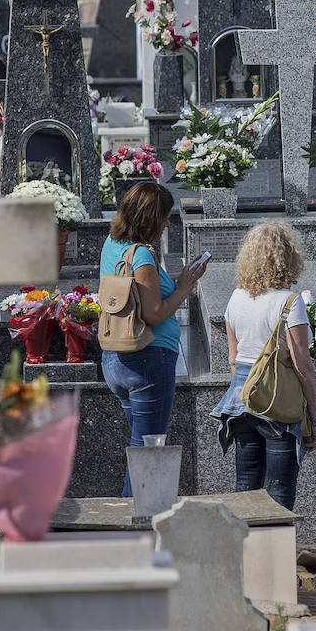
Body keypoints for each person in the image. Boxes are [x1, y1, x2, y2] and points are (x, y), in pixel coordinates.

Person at [99, 183, 206, 496]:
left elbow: (136, 297)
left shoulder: (112, 243)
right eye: (164, 216)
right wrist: (184, 286)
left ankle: (132, 518)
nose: (167, 224)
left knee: (140, 449)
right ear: (150, 218)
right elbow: (154, 314)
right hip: (147, 359)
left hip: (115, 358)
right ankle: (135, 522)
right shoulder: (142, 255)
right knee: (148, 453)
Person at [210, 222, 316, 511]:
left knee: (245, 487)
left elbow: (233, 359)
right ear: (289, 257)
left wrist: (249, 391)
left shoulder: (236, 297)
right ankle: (276, 542)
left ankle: (242, 539)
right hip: (277, 403)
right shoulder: (289, 303)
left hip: (240, 401)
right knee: (280, 492)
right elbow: (303, 367)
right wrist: (315, 419)